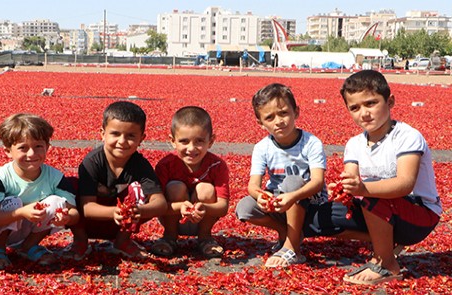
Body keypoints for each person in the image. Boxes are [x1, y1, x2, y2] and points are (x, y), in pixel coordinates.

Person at [335, 70, 442, 285]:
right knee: (318, 217)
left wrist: (362, 189)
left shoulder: (407, 137)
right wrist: (342, 189)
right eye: (354, 108)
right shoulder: (354, 144)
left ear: (390, 101)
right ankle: (385, 242)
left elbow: (404, 184)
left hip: (419, 214)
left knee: (371, 191)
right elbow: (353, 182)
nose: (364, 113)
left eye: (371, 103)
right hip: (379, 208)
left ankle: (387, 263)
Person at [235, 83, 328, 268]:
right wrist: (261, 196)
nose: (278, 121)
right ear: (260, 123)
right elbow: (253, 186)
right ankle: (287, 232)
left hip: (309, 202)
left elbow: (317, 182)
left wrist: (292, 197)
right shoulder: (262, 147)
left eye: (284, 113)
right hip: (279, 202)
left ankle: (292, 247)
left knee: (292, 181)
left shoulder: (311, 143)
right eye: (270, 117)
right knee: (244, 207)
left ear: (296, 112)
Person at [0, 113, 81, 270]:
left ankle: (28, 246)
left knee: (56, 201)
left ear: (47, 147)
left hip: (32, 227)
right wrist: (21, 213)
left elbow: (74, 213)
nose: (32, 154)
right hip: (0, 227)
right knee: (12, 202)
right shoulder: (0, 178)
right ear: (8, 151)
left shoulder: (55, 177)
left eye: (38, 146)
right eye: (23, 148)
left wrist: (66, 217)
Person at [75, 101, 167, 259]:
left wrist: (139, 211)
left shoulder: (140, 164)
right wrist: (114, 212)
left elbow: (160, 203)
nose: (122, 141)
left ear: (141, 138)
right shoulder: (92, 162)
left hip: (122, 224)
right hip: (90, 221)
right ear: (102, 133)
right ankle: (80, 241)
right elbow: (86, 206)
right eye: (115, 134)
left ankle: (122, 241)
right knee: (69, 187)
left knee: (137, 189)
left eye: (131, 136)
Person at [151, 106, 230, 258]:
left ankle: (205, 237)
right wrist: (180, 206)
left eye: (199, 141)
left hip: (202, 219)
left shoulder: (218, 166)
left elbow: (223, 207)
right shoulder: (165, 165)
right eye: (184, 141)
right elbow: (156, 206)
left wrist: (203, 207)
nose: (191, 148)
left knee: (205, 189)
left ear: (211, 141)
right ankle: (169, 236)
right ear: (173, 141)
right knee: (175, 187)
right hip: (172, 216)